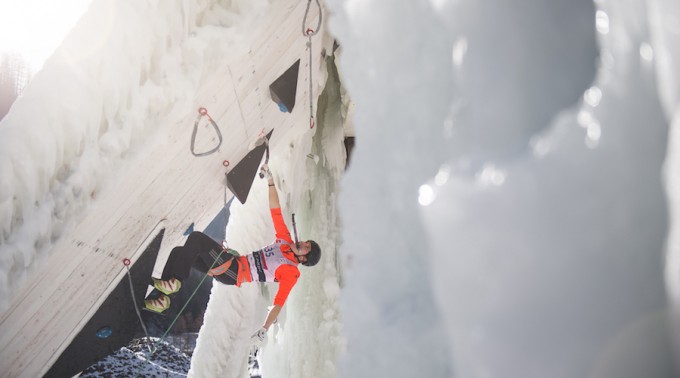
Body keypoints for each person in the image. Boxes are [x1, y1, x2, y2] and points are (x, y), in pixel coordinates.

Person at [145, 163, 321, 342]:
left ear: (303, 258)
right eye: (306, 242)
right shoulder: (285, 240)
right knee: (178, 253)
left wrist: (264, 328)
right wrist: (270, 181)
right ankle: (163, 301)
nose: (303, 243)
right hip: (232, 263)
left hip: (234, 272)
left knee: (197, 239)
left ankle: (174, 283)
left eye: (307, 247)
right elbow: (275, 210)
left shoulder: (291, 272)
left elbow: (278, 303)